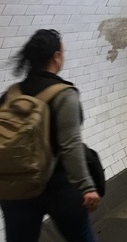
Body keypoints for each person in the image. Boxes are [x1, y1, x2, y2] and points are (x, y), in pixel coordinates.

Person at [0, 29, 100, 242]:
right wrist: (87, 186)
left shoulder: (11, 94)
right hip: (59, 188)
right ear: (56, 57)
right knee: (82, 237)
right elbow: (70, 146)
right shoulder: (64, 95)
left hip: (15, 189)